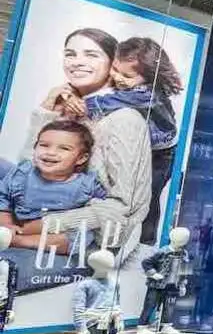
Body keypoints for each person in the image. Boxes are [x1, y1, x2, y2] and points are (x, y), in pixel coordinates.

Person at [26, 28, 151, 255]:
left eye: (91, 55)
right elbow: (26, 173)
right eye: (70, 54)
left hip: (89, 244)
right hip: (42, 215)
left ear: (113, 64)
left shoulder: (124, 119)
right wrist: (46, 111)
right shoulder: (67, 108)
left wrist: (43, 225)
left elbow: (123, 207)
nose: (77, 62)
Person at [86, 36, 182, 241]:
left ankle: (145, 242)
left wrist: (81, 103)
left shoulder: (147, 94)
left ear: (150, 77)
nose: (118, 77)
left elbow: (109, 102)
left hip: (159, 155)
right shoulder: (130, 86)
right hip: (139, 148)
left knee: (148, 198)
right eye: (115, 69)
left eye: (127, 76)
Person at [0, 120, 109, 250]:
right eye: (44, 145)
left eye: (64, 148)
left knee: (83, 236)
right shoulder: (22, 173)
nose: (51, 152)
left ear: (81, 158)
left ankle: (18, 241)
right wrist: (6, 224)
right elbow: (3, 199)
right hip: (17, 222)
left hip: (52, 232)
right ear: (35, 148)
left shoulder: (86, 184)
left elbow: (105, 206)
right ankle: (7, 236)